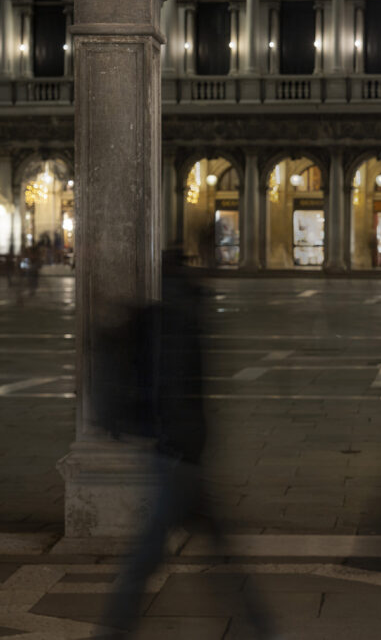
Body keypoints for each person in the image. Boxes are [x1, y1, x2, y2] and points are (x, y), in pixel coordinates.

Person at [101, 250, 273, 635]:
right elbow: (177, 388)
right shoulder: (180, 315)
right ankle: (260, 627)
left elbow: (169, 386)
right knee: (207, 556)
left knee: (153, 557)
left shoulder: (166, 316)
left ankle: (113, 631)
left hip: (177, 458)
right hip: (183, 457)